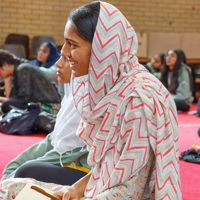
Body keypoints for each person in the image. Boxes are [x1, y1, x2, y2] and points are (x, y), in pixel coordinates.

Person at [0, 2, 182, 199]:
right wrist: (75, 189)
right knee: (11, 188)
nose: (64, 53)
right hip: (100, 187)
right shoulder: (112, 86)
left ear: (102, 48)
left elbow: (129, 189)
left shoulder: (136, 100)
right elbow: (107, 166)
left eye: (73, 44)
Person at [1, 60, 90, 185]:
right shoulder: (72, 93)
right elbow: (53, 140)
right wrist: (13, 170)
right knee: (17, 168)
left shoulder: (89, 98)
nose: (57, 63)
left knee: (24, 172)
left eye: (66, 59)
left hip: (90, 174)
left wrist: (12, 177)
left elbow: (66, 152)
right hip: (69, 160)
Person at [0, 49, 60, 113]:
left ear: (5, 65)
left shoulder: (23, 68)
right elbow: (13, 98)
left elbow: (23, 100)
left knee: (6, 105)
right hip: (39, 104)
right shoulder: (19, 68)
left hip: (50, 107)